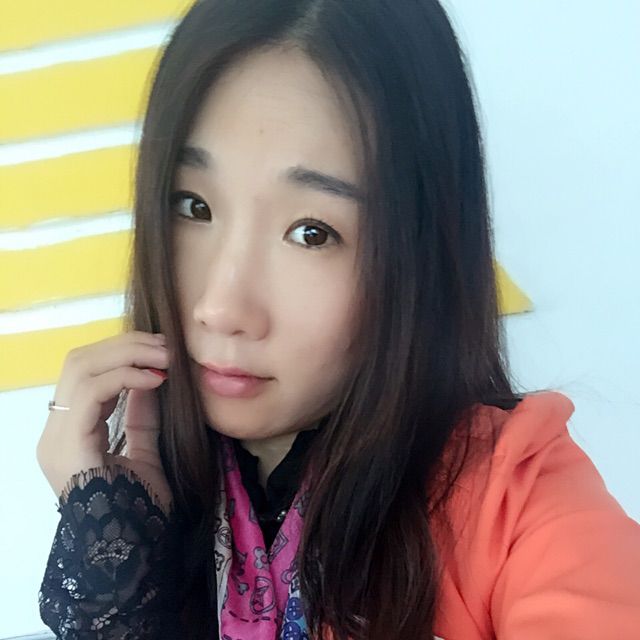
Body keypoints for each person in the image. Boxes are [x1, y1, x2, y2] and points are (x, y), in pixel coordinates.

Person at [35, 0, 640, 638]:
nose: (222, 307)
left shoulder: (515, 504)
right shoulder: (144, 510)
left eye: (312, 232)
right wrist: (116, 566)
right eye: (193, 205)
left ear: (416, 256)